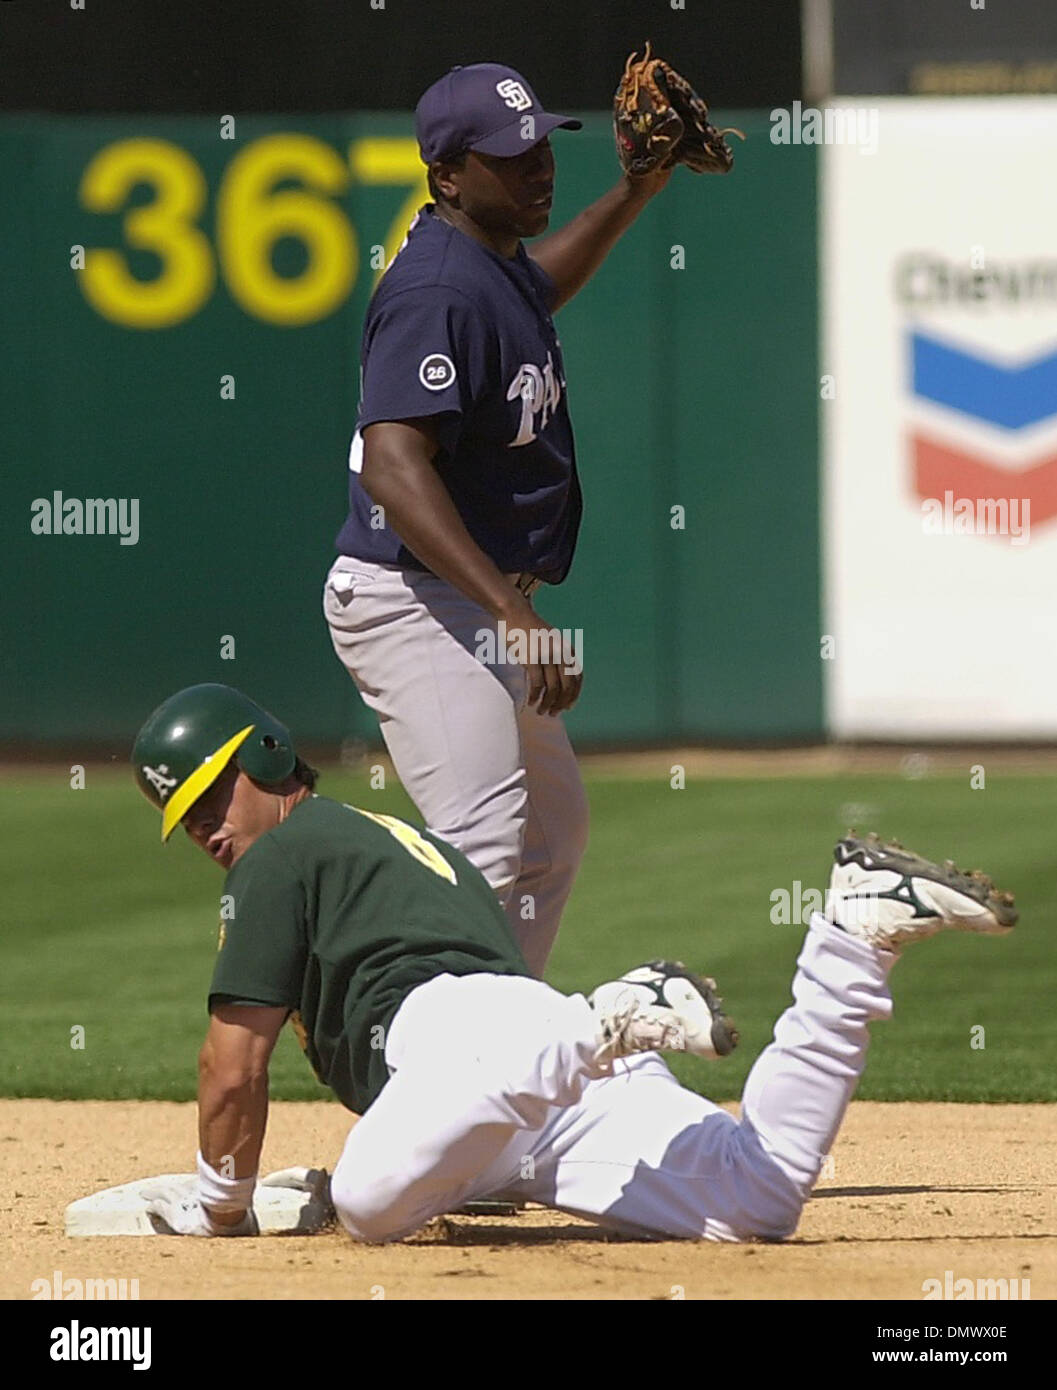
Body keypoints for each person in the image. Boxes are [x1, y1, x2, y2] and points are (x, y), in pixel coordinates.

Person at [132, 683, 1016, 1243]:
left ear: (269, 757)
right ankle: (852, 939)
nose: (206, 825)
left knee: (369, 1203)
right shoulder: (380, 840)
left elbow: (232, 1062)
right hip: (522, 1067)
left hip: (469, 1038)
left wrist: (220, 1206)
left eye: (214, 789)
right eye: (186, 815)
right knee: (757, 1196)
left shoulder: (281, 855)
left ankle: (607, 1018)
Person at [323, 61, 676, 975]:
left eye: (541, 146)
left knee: (550, 838)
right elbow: (396, 468)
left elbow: (536, 288)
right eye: (510, 156)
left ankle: (496, 1052)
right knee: (479, 853)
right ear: (448, 176)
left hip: (462, 595)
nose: (538, 168)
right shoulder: (435, 291)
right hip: (413, 599)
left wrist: (635, 190)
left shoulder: (490, 263)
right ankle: (429, 1064)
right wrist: (511, 613)